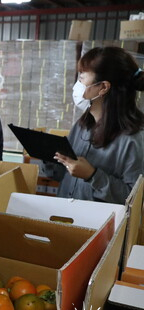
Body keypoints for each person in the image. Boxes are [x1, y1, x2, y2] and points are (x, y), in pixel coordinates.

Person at [45, 47, 144, 204]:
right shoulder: (82, 125)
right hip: (65, 218)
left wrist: (92, 175)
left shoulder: (134, 139)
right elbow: (65, 175)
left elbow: (136, 200)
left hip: (101, 226)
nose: (76, 85)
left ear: (103, 87)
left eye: (82, 78)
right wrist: (51, 158)